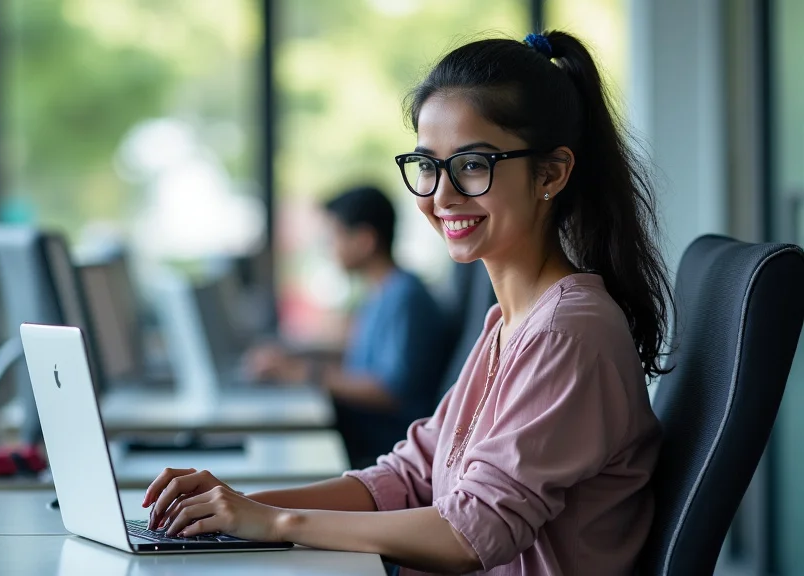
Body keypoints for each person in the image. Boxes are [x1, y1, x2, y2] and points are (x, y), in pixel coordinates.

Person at [141, 30, 672, 575]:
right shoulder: (509, 325)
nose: (440, 195)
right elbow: (410, 476)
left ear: (552, 173)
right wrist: (243, 505)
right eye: (426, 165)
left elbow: (470, 533)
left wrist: (276, 523)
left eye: (471, 163)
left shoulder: (565, 333)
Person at [245, 185, 450, 468]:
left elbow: (390, 391)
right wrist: (293, 358)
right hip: (364, 432)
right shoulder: (381, 291)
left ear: (364, 240)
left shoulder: (406, 297)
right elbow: (361, 360)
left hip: (388, 446)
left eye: (334, 236)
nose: (329, 247)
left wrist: (304, 372)